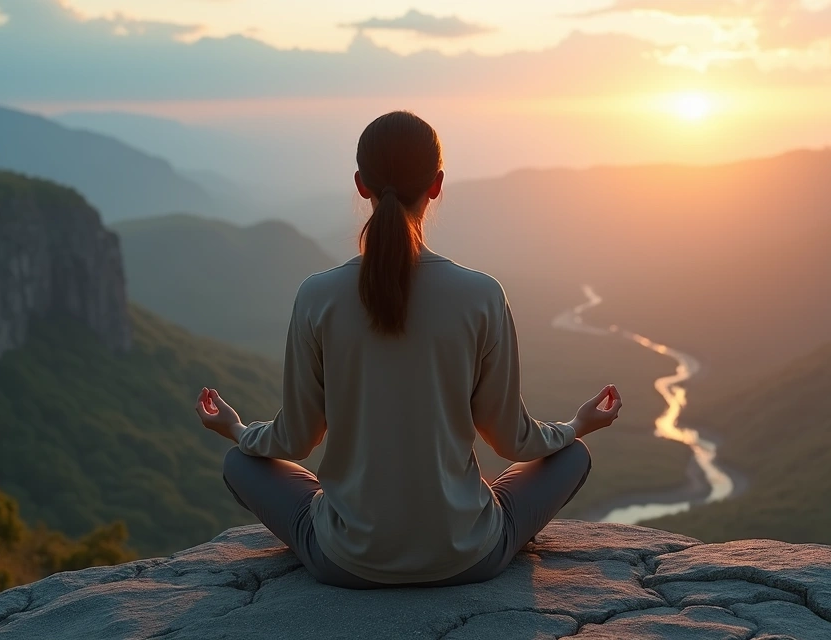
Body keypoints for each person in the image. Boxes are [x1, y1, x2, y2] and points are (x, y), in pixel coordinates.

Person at [194, 111, 622, 589]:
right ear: (436, 184)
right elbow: (512, 442)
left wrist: (236, 429)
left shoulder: (317, 296)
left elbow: (295, 440)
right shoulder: (481, 295)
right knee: (572, 455)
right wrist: (577, 424)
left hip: (345, 562)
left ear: (361, 184)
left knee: (239, 463)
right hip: (469, 556)